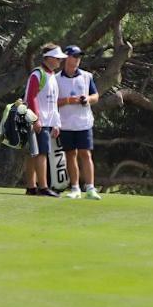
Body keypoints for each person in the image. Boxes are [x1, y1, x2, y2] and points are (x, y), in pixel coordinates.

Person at [54, 44, 100, 200]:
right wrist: (68, 100)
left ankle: (91, 188)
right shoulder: (56, 79)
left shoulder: (86, 76)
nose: (78, 59)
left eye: (79, 56)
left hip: (83, 122)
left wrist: (87, 99)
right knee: (70, 154)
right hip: (65, 123)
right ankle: (75, 188)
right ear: (67, 57)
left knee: (85, 154)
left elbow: (95, 96)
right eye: (75, 56)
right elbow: (52, 102)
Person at [23, 45, 65, 197]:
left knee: (36, 153)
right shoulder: (37, 74)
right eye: (57, 58)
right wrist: (35, 119)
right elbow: (30, 97)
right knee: (41, 153)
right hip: (38, 121)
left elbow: (53, 103)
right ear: (49, 58)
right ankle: (42, 187)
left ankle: (31, 187)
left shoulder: (52, 75)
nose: (60, 61)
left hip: (47, 121)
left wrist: (56, 122)